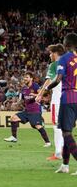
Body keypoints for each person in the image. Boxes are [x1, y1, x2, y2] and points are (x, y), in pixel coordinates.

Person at [47, 33, 77, 175]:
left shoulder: (64, 59)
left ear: (65, 44)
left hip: (68, 98)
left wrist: (46, 89)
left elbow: (58, 79)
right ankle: (65, 165)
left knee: (66, 133)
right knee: (67, 133)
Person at [4, 72, 51, 146]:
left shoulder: (35, 86)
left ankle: (48, 142)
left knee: (37, 126)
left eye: (27, 77)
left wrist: (34, 95)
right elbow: (23, 99)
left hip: (35, 111)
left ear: (31, 78)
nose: (25, 79)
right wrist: (16, 104)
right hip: (27, 111)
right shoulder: (24, 88)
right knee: (13, 118)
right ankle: (14, 137)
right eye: (24, 77)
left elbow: (42, 96)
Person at [36, 44, 65, 161]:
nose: (49, 55)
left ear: (56, 53)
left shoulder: (54, 65)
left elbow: (49, 81)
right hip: (70, 97)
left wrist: (40, 94)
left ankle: (59, 152)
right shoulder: (69, 63)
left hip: (58, 99)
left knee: (56, 124)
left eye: (51, 53)